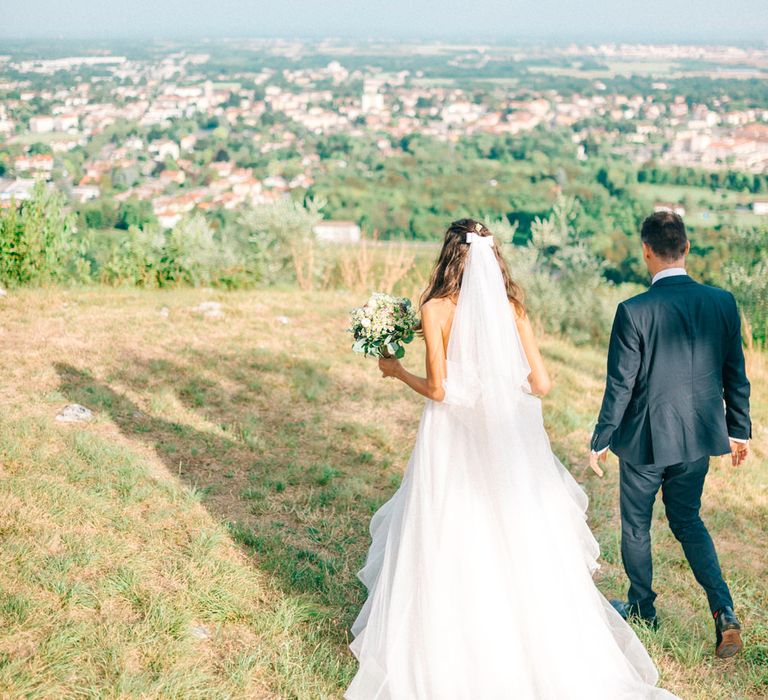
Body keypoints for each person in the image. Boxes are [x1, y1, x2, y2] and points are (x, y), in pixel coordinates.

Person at [345, 219, 677, 699]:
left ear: (448, 257)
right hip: (508, 438)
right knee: (513, 528)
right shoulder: (512, 307)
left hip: (451, 437)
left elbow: (439, 390)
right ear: (490, 257)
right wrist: (501, 391)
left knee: (450, 527)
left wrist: (396, 370)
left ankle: (450, 632)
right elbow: (541, 384)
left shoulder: (435, 308)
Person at [590, 210, 751, 659]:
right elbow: (736, 374)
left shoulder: (633, 311)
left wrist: (600, 439)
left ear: (646, 251)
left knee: (637, 526)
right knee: (688, 521)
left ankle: (642, 608)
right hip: (698, 437)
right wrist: (738, 430)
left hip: (644, 441)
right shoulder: (722, 302)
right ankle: (724, 611)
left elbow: (620, 385)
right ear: (686, 249)